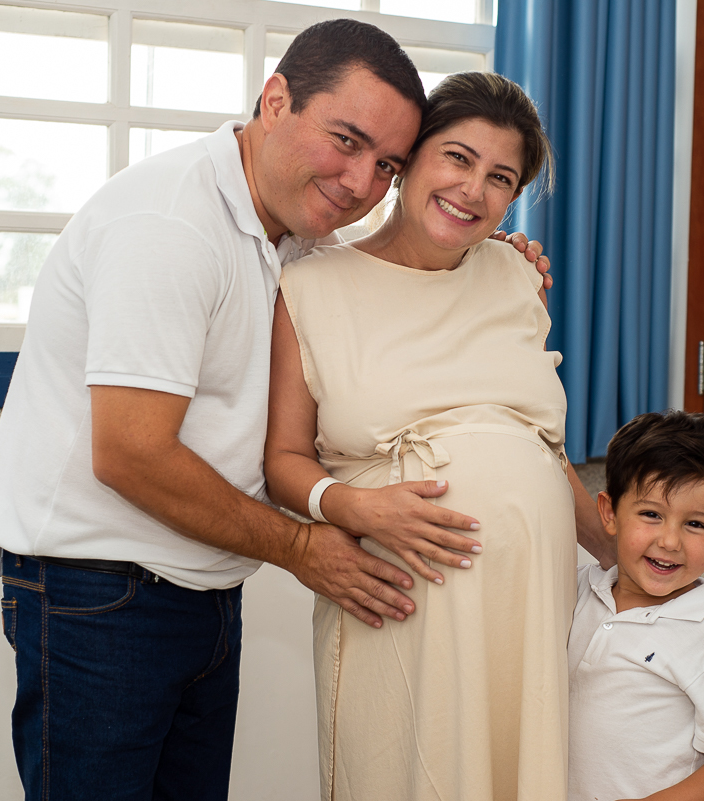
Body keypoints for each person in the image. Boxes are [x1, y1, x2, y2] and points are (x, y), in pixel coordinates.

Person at [0, 18, 556, 801]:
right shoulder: (171, 223)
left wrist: (496, 257)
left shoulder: (306, 237)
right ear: (275, 100)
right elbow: (132, 452)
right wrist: (304, 545)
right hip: (100, 595)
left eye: (385, 164)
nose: (360, 182)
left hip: (205, 589)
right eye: (346, 141)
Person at [265, 72, 612, 801]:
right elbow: (283, 460)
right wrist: (351, 508)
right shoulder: (310, 287)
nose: (472, 189)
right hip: (403, 600)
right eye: (457, 157)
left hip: (529, 603)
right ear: (409, 159)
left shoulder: (517, 276)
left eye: (500, 178)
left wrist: (618, 555)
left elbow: (543, 451)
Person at [567, 410, 704, 801]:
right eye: (651, 515)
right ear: (609, 513)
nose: (670, 541)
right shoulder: (577, 588)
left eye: (695, 524)